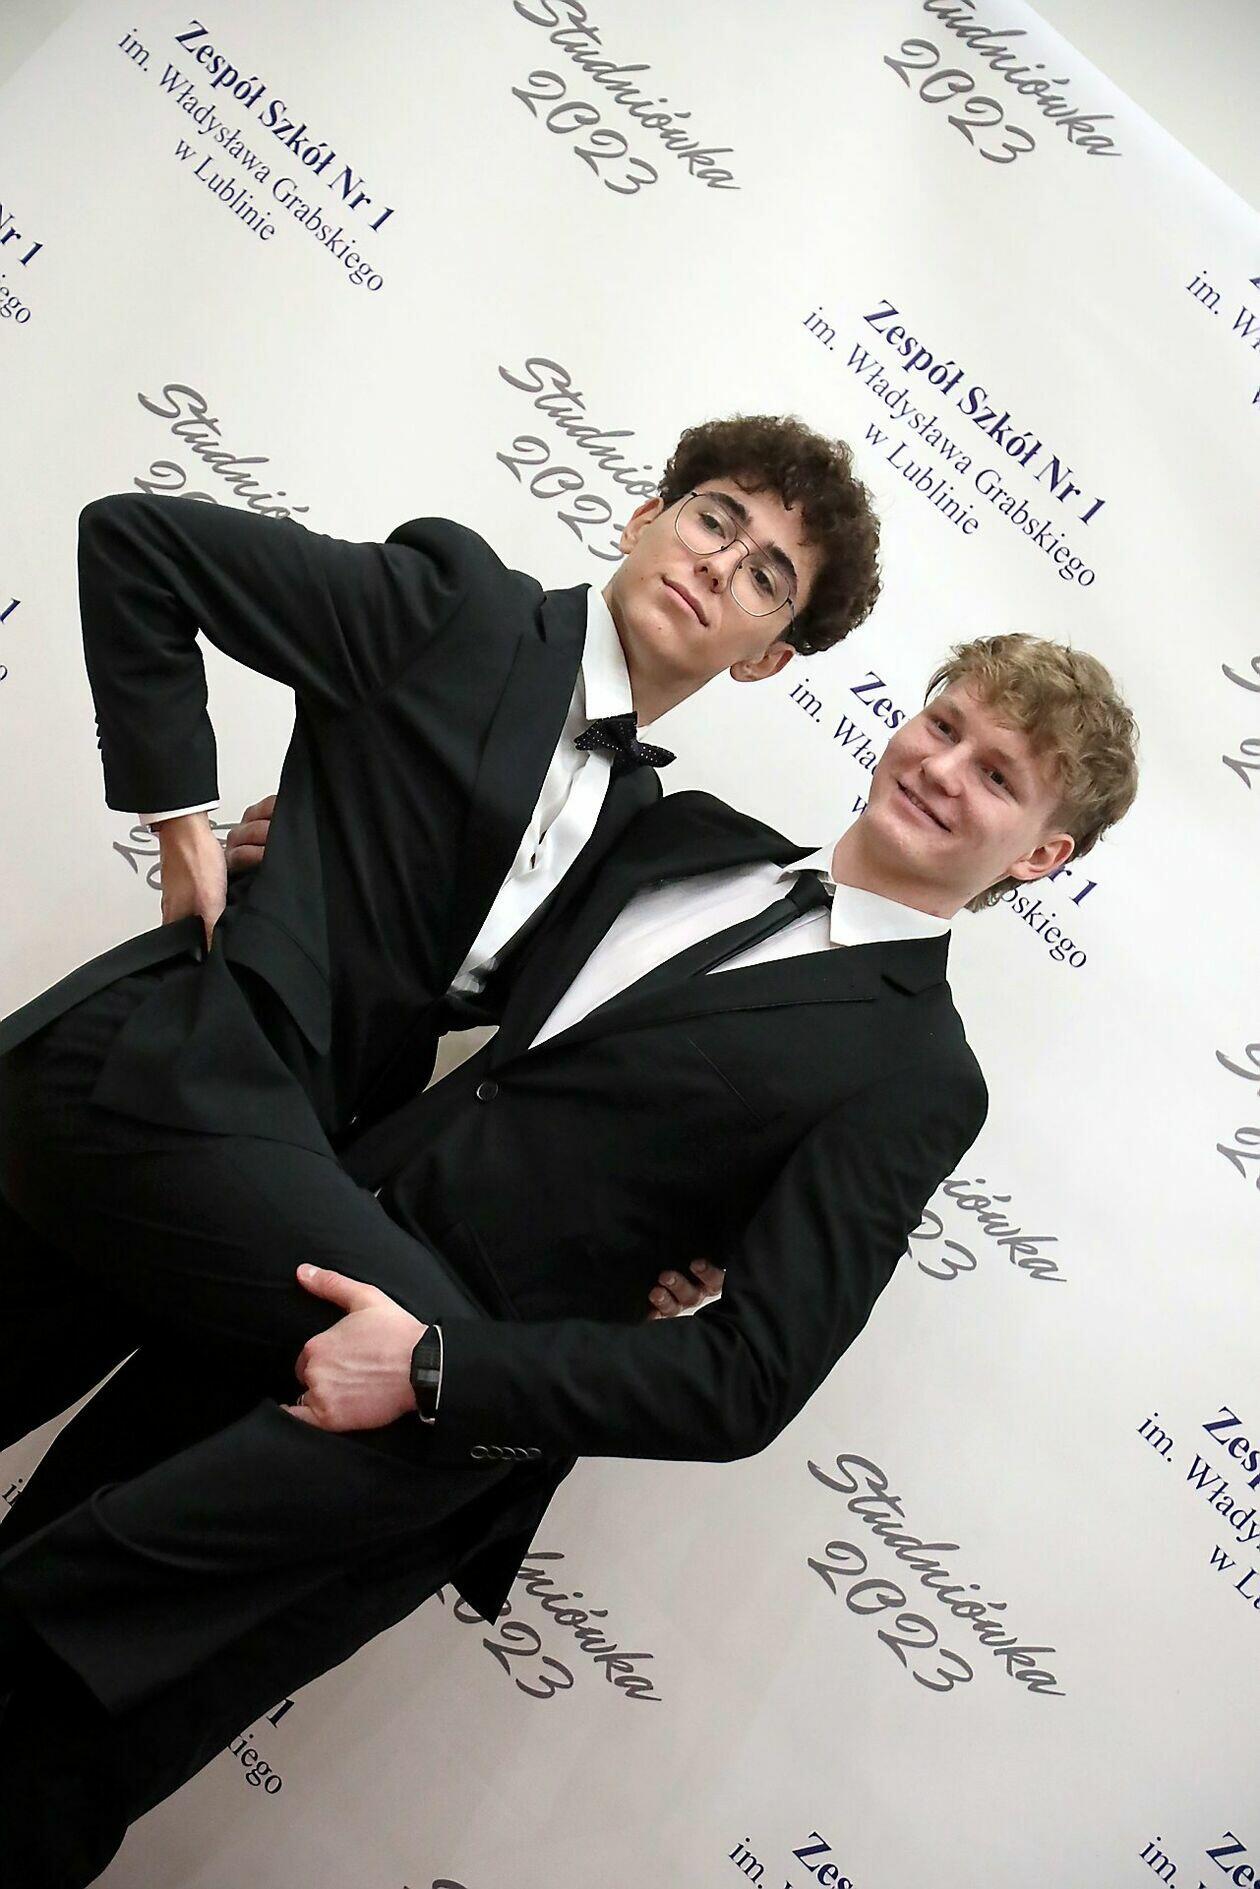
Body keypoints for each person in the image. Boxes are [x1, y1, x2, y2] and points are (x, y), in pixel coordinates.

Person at [0, 632, 1138, 1885]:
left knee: (53, 1760)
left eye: (998, 774)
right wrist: (311, 862)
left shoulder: (919, 1074)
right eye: (946, 724)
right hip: (259, 1285)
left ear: (1039, 855)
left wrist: (430, 1368)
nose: (942, 767)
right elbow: (452, 968)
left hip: (398, 1435)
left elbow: (748, 1378)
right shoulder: (689, 835)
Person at [0, 414, 881, 1444]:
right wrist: (184, 828)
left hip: (288, 1154)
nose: (720, 565)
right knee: (458, 1387)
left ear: (766, 658)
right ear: (646, 518)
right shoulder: (464, 609)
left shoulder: (636, 830)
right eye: (714, 520)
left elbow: (593, 1055)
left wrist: (676, 1248)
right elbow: (136, 544)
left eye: (767, 575)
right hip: (171, 1069)